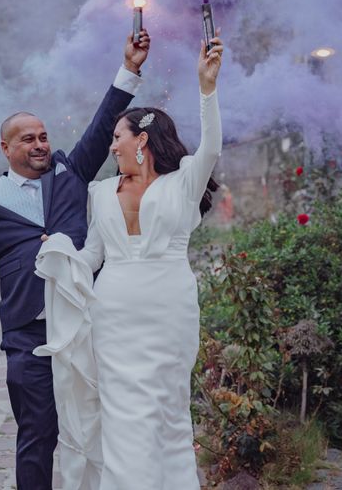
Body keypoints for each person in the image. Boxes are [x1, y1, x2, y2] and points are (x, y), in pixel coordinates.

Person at [0, 30, 150, 490]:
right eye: (29, 139)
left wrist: (131, 68)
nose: (41, 144)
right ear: (7, 148)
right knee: (36, 437)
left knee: (106, 427)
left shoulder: (71, 173)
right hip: (29, 337)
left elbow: (104, 123)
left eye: (44, 136)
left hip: (88, 325)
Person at [36, 36, 223, 490]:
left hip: (170, 307)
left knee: (169, 412)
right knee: (122, 414)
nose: (112, 147)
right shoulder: (99, 193)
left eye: (117, 138)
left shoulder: (184, 182)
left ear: (141, 140)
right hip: (114, 312)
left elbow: (213, 146)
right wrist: (59, 253)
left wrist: (207, 88)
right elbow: (91, 256)